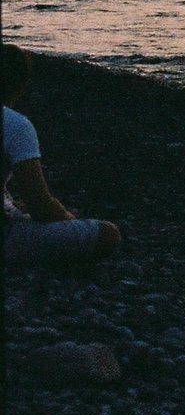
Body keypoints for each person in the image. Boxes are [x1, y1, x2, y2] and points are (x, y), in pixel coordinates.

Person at [3, 45, 123, 267]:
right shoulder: (16, 125)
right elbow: (40, 204)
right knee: (108, 234)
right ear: (21, 85)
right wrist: (66, 218)